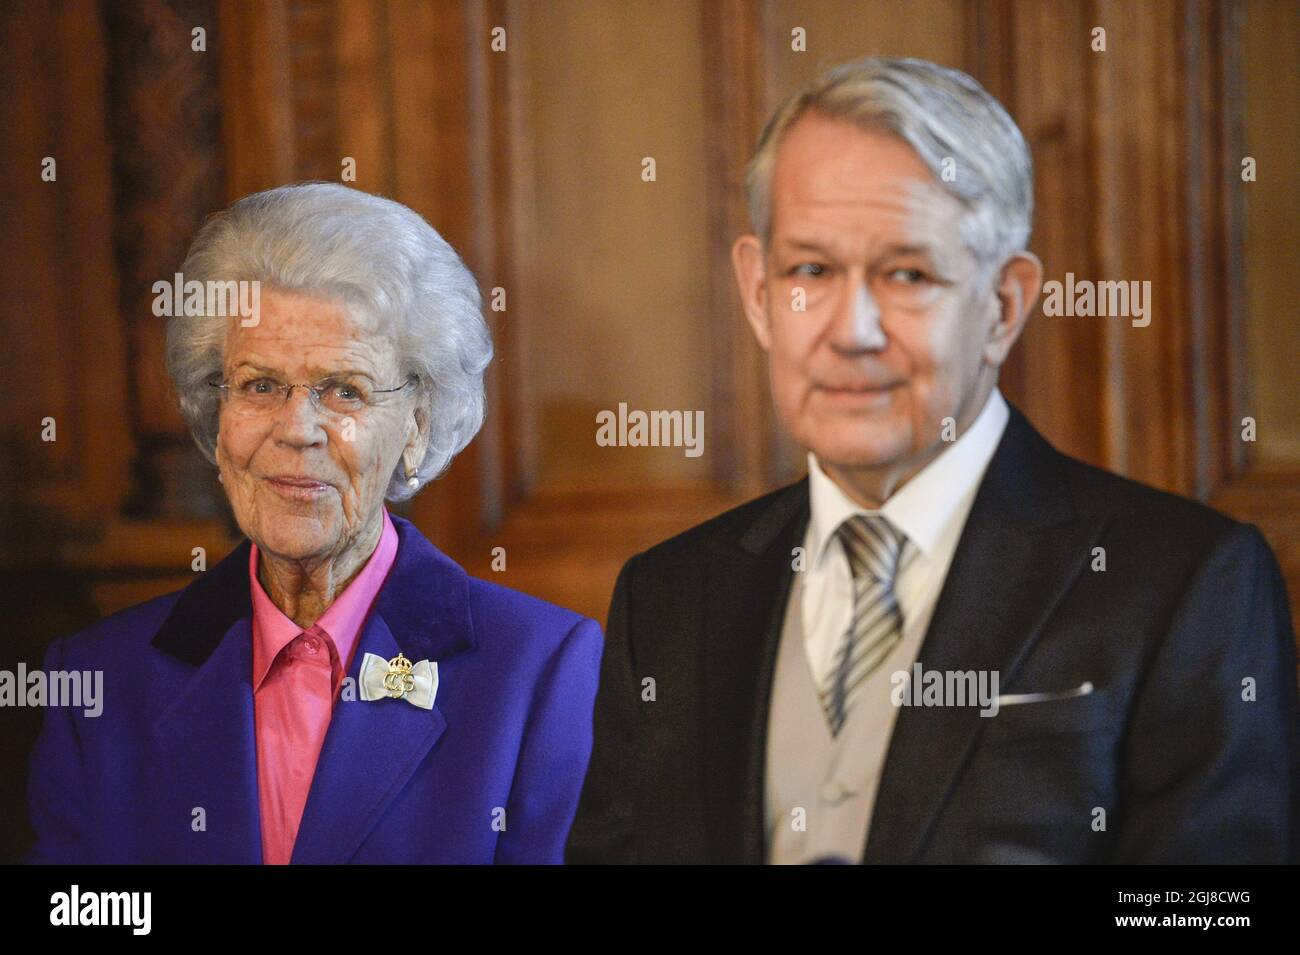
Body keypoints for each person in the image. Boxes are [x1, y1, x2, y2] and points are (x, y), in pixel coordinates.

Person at [566, 57, 1298, 864]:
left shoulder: (1189, 584)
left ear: (1003, 305)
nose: (854, 330)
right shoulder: (667, 600)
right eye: (811, 270)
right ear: (757, 292)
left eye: (907, 274)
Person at [26, 182, 602, 864]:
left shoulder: (536, 672)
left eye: (344, 390)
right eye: (260, 384)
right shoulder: (100, 681)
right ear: (217, 415)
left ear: (416, 427)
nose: (296, 430)